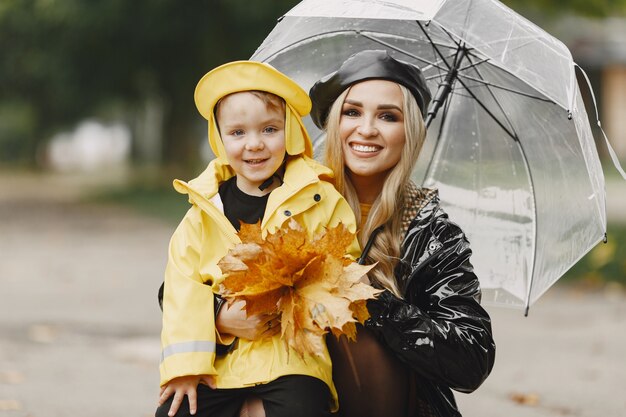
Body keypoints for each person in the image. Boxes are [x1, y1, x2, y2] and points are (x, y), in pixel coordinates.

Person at [156, 60, 359, 417]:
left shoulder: (319, 198)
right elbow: (182, 286)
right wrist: (185, 368)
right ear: (220, 138)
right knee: (176, 412)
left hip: (293, 357)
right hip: (219, 364)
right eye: (237, 133)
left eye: (269, 129)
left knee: (303, 408)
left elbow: (343, 266)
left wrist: (291, 299)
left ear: (291, 132)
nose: (254, 145)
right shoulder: (204, 211)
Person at [305, 49, 497, 417]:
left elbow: (471, 357)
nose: (367, 129)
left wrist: (375, 304)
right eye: (352, 112)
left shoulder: (431, 233)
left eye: (388, 117)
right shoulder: (290, 202)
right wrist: (220, 314)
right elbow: (192, 282)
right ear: (334, 122)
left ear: (408, 130)